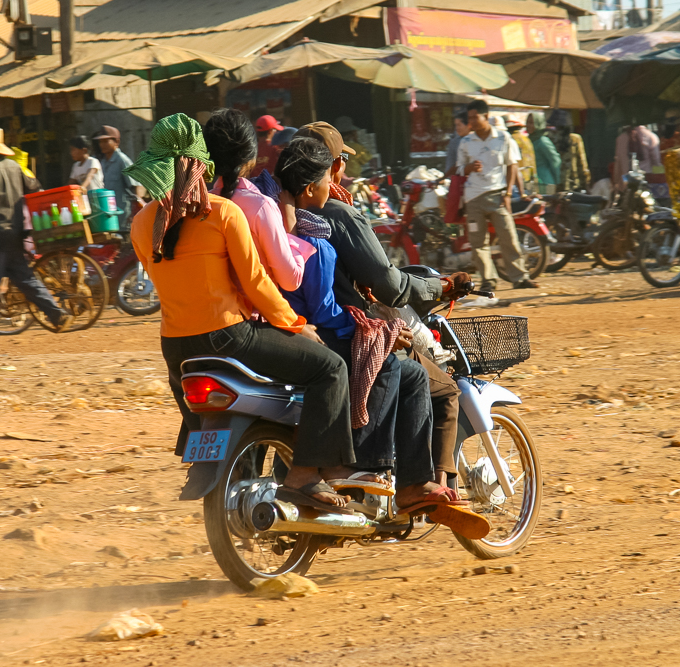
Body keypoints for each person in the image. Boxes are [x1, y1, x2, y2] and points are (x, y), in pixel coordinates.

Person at [127, 113, 362, 511]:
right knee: (331, 369)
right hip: (228, 336)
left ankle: (210, 459)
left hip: (175, 350)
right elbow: (257, 282)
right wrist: (296, 325)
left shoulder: (141, 222)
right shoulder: (223, 213)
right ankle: (306, 476)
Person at [276, 136, 471, 513]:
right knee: (411, 373)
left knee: (405, 370)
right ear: (323, 173)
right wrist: (371, 327)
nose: (343, 171)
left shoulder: (273, 214)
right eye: (341, 162)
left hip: (294, 322)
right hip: (328, 325)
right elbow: (387, 285)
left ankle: (407, 482)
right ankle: (371, 468)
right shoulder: (328, 225)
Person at [0, 125, 73, 336]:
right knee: (25, 279)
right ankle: (57, 314)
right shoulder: (15, 168)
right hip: (17, 233)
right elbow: (35, 188)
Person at [202, 108, 306, 291]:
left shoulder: (198, 206)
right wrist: (292, 230)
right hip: (258, 314)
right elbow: (291, 280)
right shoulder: (261, 206)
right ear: (250, 155)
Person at [458, 100, 538, 292]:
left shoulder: (503, 138)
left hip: (498, 196)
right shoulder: (465, 142)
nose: (472, 122)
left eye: (475, 117)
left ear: (486, 116)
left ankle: (519, 278)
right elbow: (459, 169)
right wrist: (468, 168)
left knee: (509, 237)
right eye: (469, 118)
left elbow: (512, 166)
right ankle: (488, 281)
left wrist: (509, 194)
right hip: (473, 198)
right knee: (478, 243)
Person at [93, 126, 143, 229]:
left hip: (123, 214)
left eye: (106, 141)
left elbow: (136, 186)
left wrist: (135, 212)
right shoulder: (102, 161)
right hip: (108, 213)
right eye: (100, 142)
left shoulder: (122, 160)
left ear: (116, 141)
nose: (102, 145)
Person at [548, 110, 591, 193]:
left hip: (554, 184)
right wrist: (586, 183)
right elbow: (582, 163)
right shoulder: (575, 139)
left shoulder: (549, 139)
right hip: (573, 184)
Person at [526, 112, 561, 195]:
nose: (528, 125)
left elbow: (555, 162)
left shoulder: (543, 141)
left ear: (538, 124)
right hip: (532, 183)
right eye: (527, 122)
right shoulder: (528, 141)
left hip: (545, 183)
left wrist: (558, 182)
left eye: (531, 123)